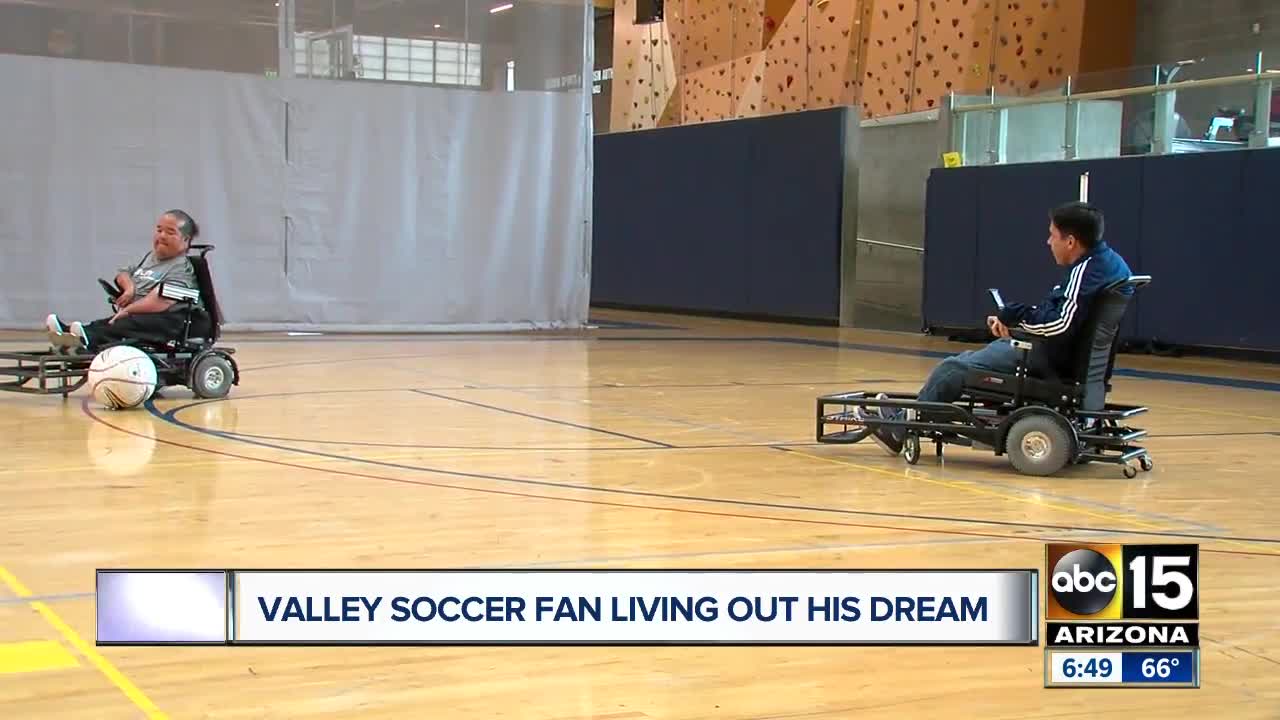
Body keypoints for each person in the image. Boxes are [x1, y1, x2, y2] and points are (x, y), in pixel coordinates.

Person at [861, 201, 1133, 456]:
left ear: (1071, 241)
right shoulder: (1112, 263)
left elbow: (1060, 324)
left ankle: (900, 429)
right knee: (969, 358)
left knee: (952, 369)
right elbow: (1065, 318)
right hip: (1063, 355)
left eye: (1053, 236)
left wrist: (1016, 319)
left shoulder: (1085, 271)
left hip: (1048, 360)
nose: (1048, 242)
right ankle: (911, 413)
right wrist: (1015, 323)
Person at [46, 210, 208, 353]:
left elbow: (161, 300)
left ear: (185, 240)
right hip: (146, 313)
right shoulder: (152, 258)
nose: (162, 236)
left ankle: (86, 339)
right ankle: (69, 334)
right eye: (159, 230)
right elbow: (123, 273)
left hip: (176, 319)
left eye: (170, 232)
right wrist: (129, 289)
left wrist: (129, 309)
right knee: (112, 323)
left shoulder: (182, 268)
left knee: (124, 324)